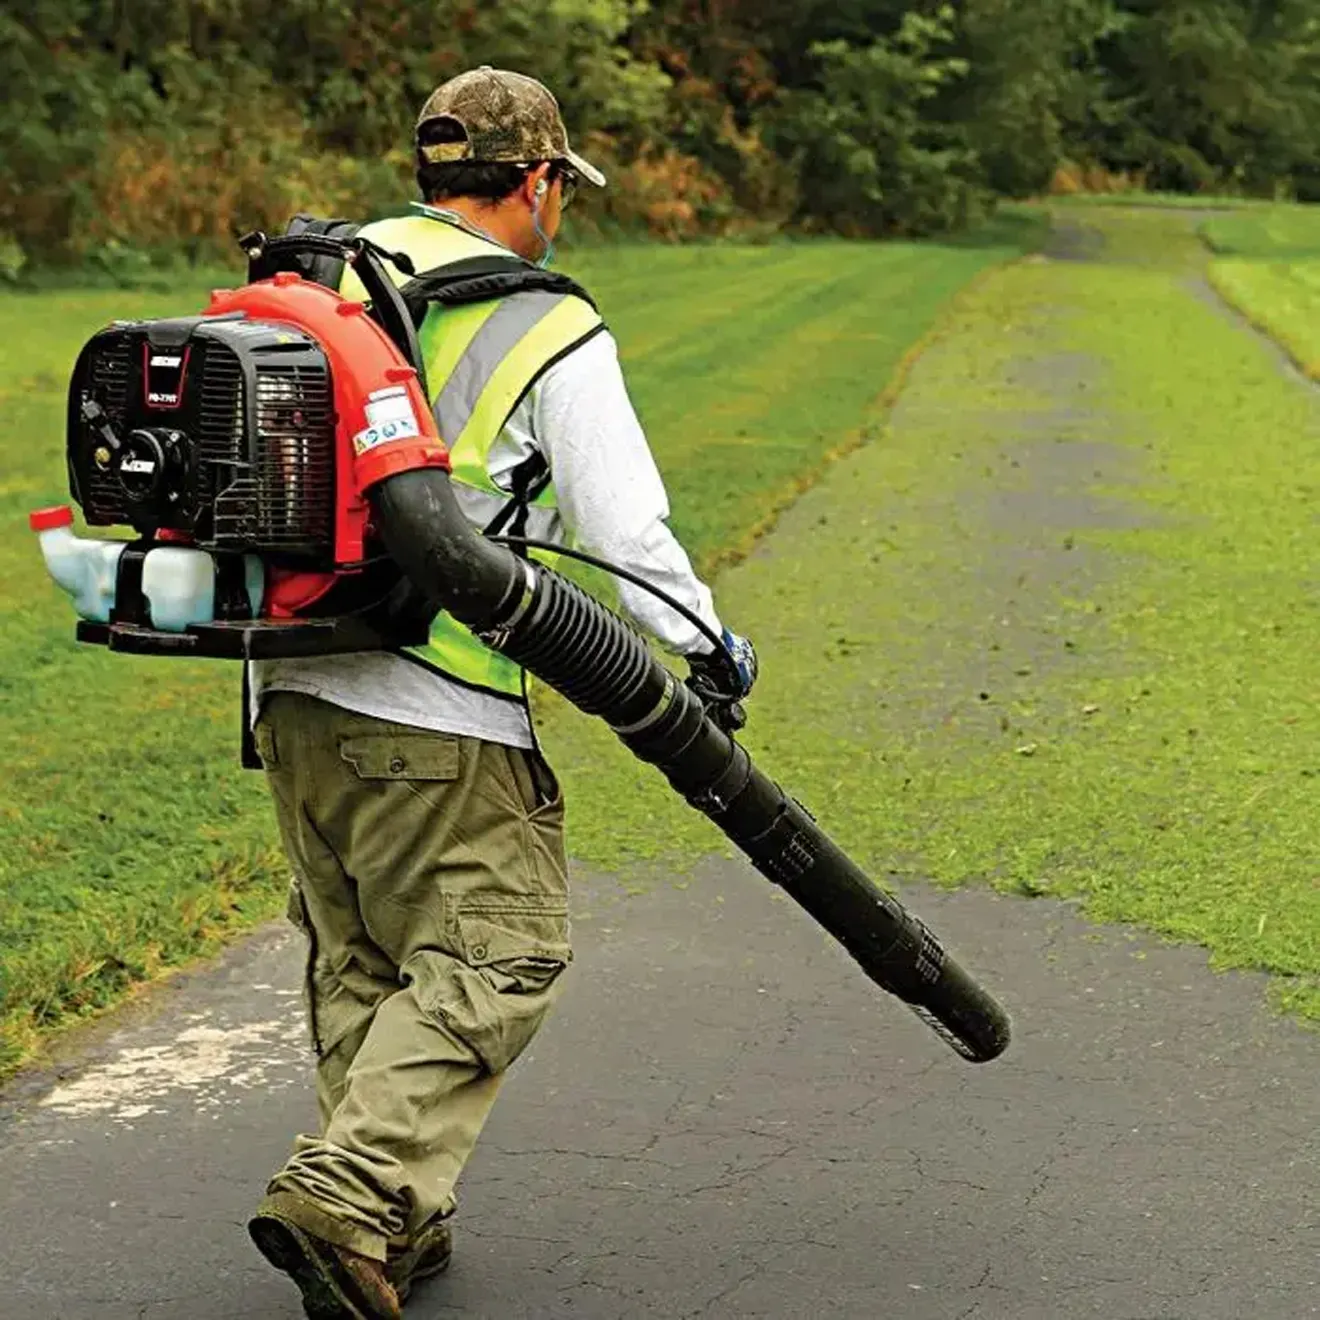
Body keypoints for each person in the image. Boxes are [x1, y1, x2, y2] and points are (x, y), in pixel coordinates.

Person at [245, 66, 757, 1320]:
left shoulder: (321, 281)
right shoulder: (544, 321)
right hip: (442, 700)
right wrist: (709, 651)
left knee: (366, 961)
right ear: (536, 183)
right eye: (558, 193)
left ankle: (387, 1232)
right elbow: (625, 529)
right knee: (500, 954)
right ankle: (351, 1194)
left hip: (289, 687)